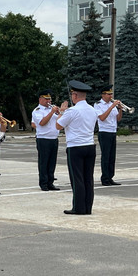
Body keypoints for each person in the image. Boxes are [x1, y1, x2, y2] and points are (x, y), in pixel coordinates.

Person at [56, 80, 98, 215]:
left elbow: (58, 125)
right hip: (90, 146)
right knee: (88, 178)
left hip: (76, 147)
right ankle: (87, 207)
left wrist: (62, 112)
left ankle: (78, 208)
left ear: (74, 96)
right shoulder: (92, 110)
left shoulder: (72, 111)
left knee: (77, 178)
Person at [31, 89, 61, 191]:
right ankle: (43, 183)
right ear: (40, 99)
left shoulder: (51, 110)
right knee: (44, 162)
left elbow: (60, 121)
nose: (49, 101)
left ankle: (50, 182)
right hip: (43, 139)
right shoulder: (37, 111)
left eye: (49, 99)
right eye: (46, 99)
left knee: (52, 162)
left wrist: (60, 112)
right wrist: (52, 113)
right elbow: (42, 123)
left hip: (53, 138)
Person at [94, 84, 123, 186]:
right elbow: (102, 118)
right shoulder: (98, 105)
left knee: (112, 156)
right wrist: (112, 106)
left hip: (112, 131)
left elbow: (118, 119)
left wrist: (120, 109)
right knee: (105, 156)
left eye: (111, 94)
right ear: (103, 95)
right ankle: (105, 178)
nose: (111, 96)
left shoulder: (113, 105)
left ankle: (110, 177)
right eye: (108, 94)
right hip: (104, 132)